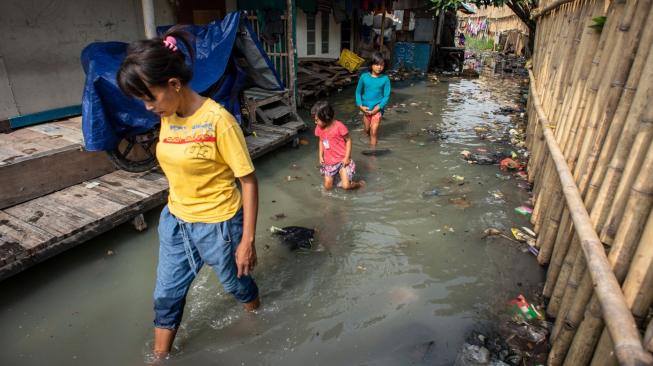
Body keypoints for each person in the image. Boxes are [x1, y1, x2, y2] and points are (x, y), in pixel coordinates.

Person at [116, 29, 260, 358]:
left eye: (150, 97)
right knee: (166, 294)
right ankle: (159, 358)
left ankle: (255, 314)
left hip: (219, 225)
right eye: (141, 100)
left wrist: (247, 240)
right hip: (176, 222)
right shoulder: (168, 115)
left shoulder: (218, 121)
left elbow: (248, 181)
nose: (148, 107)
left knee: (237, 285)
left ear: (174, 84)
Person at [312, 101, 365, 191]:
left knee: (346, 186)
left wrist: (347, 158)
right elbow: (321, 140)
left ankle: (359, 184)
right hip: (329, 162)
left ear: (326, 118)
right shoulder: (319, 128)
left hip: (342, 161)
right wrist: (320, 155)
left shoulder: (339, 126)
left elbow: (348, 140)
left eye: (317, 120)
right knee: (328, 186)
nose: (315, 122)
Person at [355, 52, 391, 146]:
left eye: (382, 65)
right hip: (366, 108)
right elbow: (358, 92)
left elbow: (386, 96)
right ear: (371, 64)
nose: (379, 67)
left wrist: (378, 108)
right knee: (367, 130)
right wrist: (360, 106)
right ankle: (365, 136)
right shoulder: (364, 77)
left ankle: (372, 154)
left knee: (374, 132)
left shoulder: (385, 79)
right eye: (377, 64)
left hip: (377, 109)